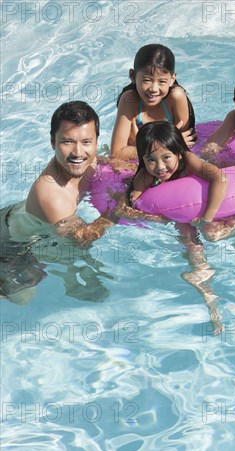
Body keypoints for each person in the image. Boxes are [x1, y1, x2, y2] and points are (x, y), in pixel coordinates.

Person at [0, 101, 159, 301]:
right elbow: (83, 239)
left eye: (86, 142)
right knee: (24, 298)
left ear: (95, 140)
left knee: (65, 250)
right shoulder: (54, 197)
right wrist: (116, 212)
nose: (77, 152)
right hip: (12, 244)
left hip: (24, 216)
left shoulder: (87, 158)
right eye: (67, 142)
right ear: (52, 142)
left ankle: (71, 281)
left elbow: (109, 165)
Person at [129, 121, 228, 224]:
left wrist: (207, 217)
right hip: (177, 213)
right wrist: (158, 218)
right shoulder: (145, 176)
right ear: (143, 159)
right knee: (186, 236)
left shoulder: (188, 161)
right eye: (151, 160)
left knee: (213, 233)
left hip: (197, 205)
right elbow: (131, 206)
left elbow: (220, 178)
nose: (160, 167)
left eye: (166, 157)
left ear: (179, 153)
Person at [110, 44, 196, 160]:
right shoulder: (130, 101)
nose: (154, 89)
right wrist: (167, 145)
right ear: (133, 76)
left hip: (147, 154)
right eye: (147, 80)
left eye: (162, 81)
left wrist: (144, 147)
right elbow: (116, 154)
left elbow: (187, 144)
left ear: (172, 79)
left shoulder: (176, 97)